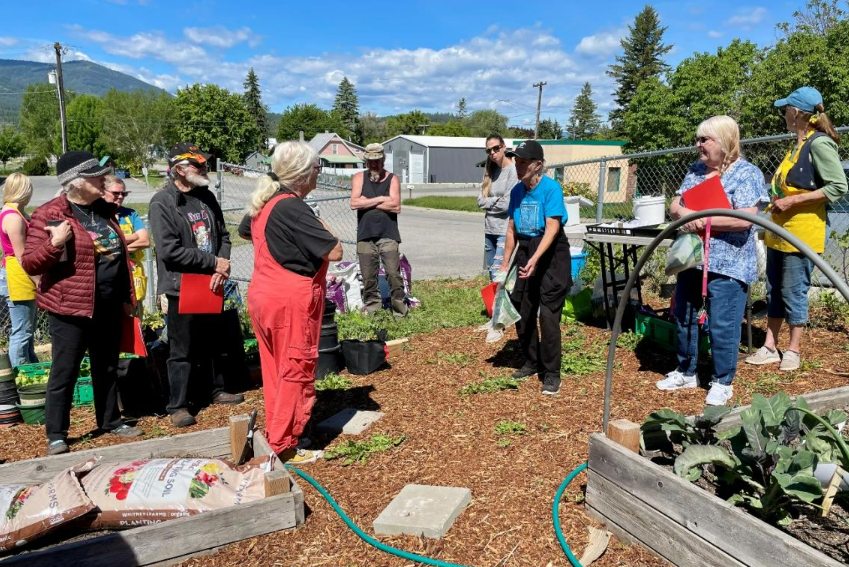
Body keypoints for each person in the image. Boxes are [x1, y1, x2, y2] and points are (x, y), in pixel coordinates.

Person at [22, 151, 143, 455]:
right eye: (95, 176)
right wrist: (54, 243)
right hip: (70, 308)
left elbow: (119, 256)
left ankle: (110, 421)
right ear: (75, 183)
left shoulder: (103, 209)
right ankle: (57, 434)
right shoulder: (50, 214)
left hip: (108, 304)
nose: (103, 179)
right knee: (66, 370)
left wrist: (127, 297)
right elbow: (30, 262)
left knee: (108, 366)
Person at [657, 116, 769, 406]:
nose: (699, 145)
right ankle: (686, 371)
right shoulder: (696, 171)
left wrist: (703, 219)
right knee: (685, 315)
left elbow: (747, 216)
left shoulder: (747, 173)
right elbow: (675, 203)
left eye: (705, 139)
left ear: (726, 141)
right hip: (693, 258)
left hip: (728, 263)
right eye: (698, 139)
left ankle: (722, 381)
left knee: (723, 324)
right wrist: (685, 216)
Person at [244, 141, 342, 464]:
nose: (319, 173)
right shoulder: (293, 207)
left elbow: (247, 230)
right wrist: (321, 226)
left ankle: (276, 433)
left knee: (275, 371)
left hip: (262, 295)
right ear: (302, 174)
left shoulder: (267, 200)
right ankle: (284, 445)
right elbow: (335, 251)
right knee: (295, 371)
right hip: (289, 301)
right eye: (317, 168)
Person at [745, 87, 848, 372]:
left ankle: (793, 350)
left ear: (797, 113)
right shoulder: (798, 144)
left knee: (794, 291)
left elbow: (839, 187)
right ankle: (769, 346)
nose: (783, 114)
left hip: (801, 235)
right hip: (780, 234)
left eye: (786, 109)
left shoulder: (820, 144)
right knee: (774, 291)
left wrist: (795, 199)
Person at [149, 143, 244, 428]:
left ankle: (214, 390)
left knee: (212, 341)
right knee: (182, 347)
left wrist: (222, 263)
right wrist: (212, 263)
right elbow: (169, 250)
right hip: (182, 285)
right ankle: (177, 404)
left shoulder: (206, 197)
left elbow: (224, 235)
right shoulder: (162, 202)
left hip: (211, 282)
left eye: (204, 165)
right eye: (198, 166)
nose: (204, 170)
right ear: (179, 169)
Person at [500, 140, 572, 396]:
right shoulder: (517, 192)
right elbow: (511, 229)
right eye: (516, 161)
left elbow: (552, 227)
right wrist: (504, 264)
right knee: (522, 310)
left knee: (548, 317)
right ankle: (532, 361)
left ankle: (552, 373)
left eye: (523, 162)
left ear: (537, 165)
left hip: (551, 254)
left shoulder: (551, 189)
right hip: (527, 250)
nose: (517, 166)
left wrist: (535, 259)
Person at [350, 143, 407, 317]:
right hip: (365, 236)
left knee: (393, 274)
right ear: (366, 161)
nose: (374, 165)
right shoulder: (359, 177)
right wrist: (383, 199)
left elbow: (396, 206)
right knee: (368, 278)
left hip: (388, 235)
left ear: (383, 160)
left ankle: (400, 312)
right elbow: (354, 203)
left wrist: (368, 201)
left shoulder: (392, 179)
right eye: (371, 161)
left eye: (377, 161)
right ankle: (374, 312)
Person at [0, 173, 39, 368]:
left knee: (28, 329)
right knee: (22, 330)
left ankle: (30, 365)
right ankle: (19, 372)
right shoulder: (13, 217)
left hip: (20, 273)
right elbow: (22, 255)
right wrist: (38, 280)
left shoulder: (18, 212)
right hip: (18, 275)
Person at [102, 175, 149, 312]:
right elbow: (99, 244)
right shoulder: (98, 216)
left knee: (135, 323)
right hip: (109, 281)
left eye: (124, 193)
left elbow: (145, 240)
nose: (121, 197)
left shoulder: (130, 214)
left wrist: (118, 247)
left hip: (133, 279)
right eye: (116, 193)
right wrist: (133, 236)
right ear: (103, 192)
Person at [478, 134, 518, 279]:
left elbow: (507, 205)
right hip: (489, 229)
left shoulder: (513, 170)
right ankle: (496, 302)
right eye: (489, 151)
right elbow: (480, 201)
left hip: (504, 230)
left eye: (496, 148)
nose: (493, 153)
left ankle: (502, 302)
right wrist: (496, 199)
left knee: (498, 275)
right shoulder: (490, 171)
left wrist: (489, 202)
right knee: (492, 274)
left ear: (504, 147)